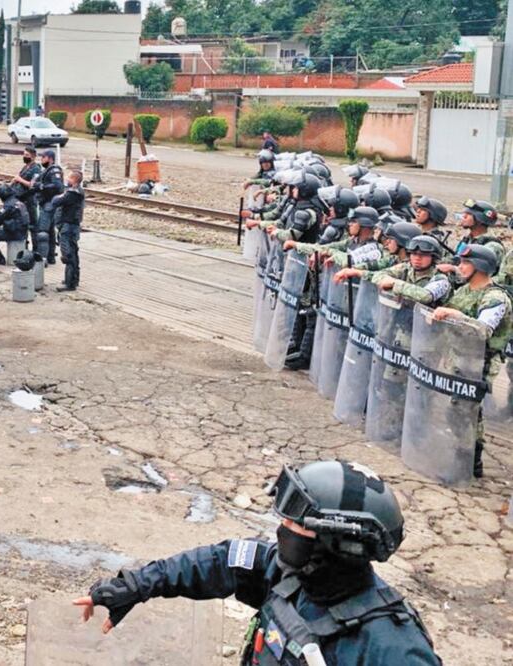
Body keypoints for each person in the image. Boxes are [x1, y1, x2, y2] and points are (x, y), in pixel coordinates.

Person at [76, 460, 440, 665]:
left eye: (295, 523)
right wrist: (137, 586)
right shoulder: (289, 575)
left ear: (339, 544)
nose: (282, 530)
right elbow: (219, 562)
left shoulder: (391, 648)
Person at [431, 244, 513, 477]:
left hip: (482, 363)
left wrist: (457, 315)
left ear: (480, 267)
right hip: (462, 358)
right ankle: (469, 460)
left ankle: (466, 461)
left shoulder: (495, 297)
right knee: (461, 410)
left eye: (466, 263)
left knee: (464, 411)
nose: (461, 267)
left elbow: (484, 329)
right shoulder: (465, 291)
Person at [52, 169, 85, 291]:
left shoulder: (73, 193)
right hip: (71, 226)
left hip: (68, 227)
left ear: (75, 180)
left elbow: (56, 201)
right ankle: (72, 280)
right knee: (73, 252)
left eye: (69, 178)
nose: (67, 180)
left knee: (68, 254)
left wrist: (60, 196)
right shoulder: (77, 192)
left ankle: (69, 283)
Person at [33, 149, 65, 265]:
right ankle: (50, 257)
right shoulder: (47, 170)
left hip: (49, 204)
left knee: (42, 231)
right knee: (50, 232)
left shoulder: (54, 170)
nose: (42, 160)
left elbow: (58, 186)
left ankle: (42, 259)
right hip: (47, 203)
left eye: (43, 157)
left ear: (50, 158)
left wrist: (41, 186)